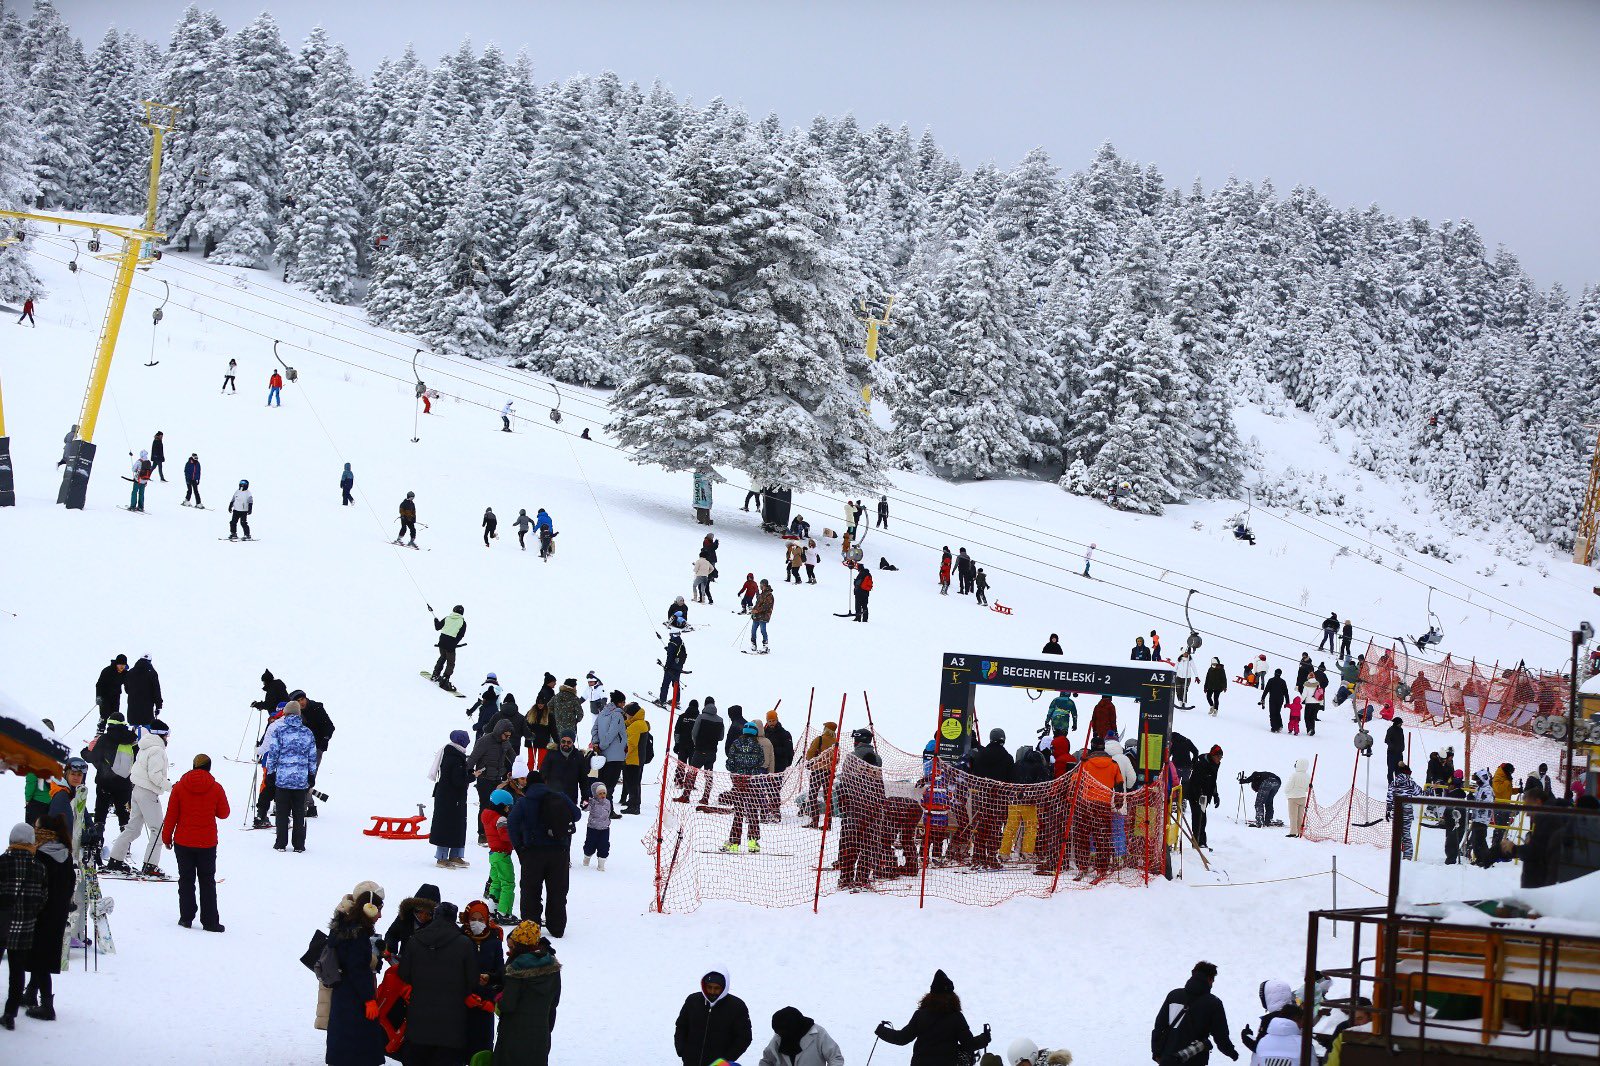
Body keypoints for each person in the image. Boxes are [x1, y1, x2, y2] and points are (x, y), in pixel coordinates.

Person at [397, 900, 477, 1064]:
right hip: (451, 1026)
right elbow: (472, 982)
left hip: (418, 1024)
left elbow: (404, 973)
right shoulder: (465, 944)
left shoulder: (415, 941)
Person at [160, 754, 229, 931]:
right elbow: (224, 813)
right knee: (207, 881)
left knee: (186, 880)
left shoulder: (180, 787)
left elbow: (171, 815)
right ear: (209, 767)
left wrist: (166, 837)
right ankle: (210, 921)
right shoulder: (215, 787)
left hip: (183, 841)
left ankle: (186, 917)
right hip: (207, 842)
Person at [508, 770, 580, 935]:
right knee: (558, 891)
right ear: (544, 782)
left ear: (529, 784)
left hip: (533, 853)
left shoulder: (524, 802)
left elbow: (512, 824)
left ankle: (530, 928)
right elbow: (576, 815)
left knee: (530, 891)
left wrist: (520, 848)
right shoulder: (560, 797)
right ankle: (557, 927)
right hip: (559, 853)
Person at [323, 883, 387, 1066]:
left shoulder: (342, 928)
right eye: (379, 911)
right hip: (355, 1000)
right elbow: (358, 969)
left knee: (342, 1046)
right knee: (359, 1050)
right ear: (369, 909)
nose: (380, 916)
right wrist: (369, 1000)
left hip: (341, 995)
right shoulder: (358, 935)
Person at [875, 969, 991, 1063]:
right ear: (951, 995)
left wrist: (882, 1031)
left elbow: (902, 1038)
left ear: (931, 994)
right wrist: (984, 1038)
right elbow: (968, 1044)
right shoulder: (956, 1017)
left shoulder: (920, 1015)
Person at [21, 815, 73, 1022]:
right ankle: (31, 993)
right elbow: (70, 883)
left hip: (40, 911)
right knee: (42, 954)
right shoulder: (65, 853)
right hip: (57, 913)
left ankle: (46, 1006)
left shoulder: (40, 855)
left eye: (37, 827)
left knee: (38, 958)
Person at [106, 718, 171, 875]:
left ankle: (116, 860)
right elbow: (154, 775)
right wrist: (170, 786)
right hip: (148, 792)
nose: (168, 738)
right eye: (167, 735)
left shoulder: (145, 746)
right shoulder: (157, 750)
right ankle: (150, 865)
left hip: (136, 790)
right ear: (161, 735)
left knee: (133, 828)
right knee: (157, 830)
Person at [0, 824, 48, 1029]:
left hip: (1, 925)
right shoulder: (39, 867)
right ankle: (10, 1014)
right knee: (16, 972)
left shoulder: (2, 863)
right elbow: (43, 898)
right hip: (25, 927)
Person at [495, 921, 561, 1065]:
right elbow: (554, 1001)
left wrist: (499, 998)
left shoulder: (517, 969)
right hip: (540, 1034)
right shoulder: (552, 967)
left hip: (514, 1034)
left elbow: (507, 1005)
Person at [1152, 960, 1239, 1065]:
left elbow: (1159, 1027)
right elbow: (1221, 1037)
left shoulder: (1173, 995)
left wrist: (1156, 1052)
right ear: (1209, 979)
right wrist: (1232, 1053)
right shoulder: (1213, 1003)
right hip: (1194, 1060)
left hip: (1168, 1059)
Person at [264, 703, 318, 853]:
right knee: (299, 813)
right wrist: (311, 775)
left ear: (285, 714)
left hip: (282, 779)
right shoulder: (307, 733)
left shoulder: (279, 731)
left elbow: (273, 754)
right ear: (299, 714)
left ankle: (281, 843)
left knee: (282, 813)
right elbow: (312, 757)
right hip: (301, 780)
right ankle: (299, 845)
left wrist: (271, 772)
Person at [675, 970, 753, 1066]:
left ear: (724, 988)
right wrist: (682, 1050)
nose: (712, 991)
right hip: (690, 1062)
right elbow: (681, 1026)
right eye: (709, 987)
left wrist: (725, 1061)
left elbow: (744, 1038)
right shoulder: (693, 1000)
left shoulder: (737, 1006)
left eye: (717, 988)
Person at [459, 900, 505, 1059]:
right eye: (473, 919)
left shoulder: (494, 941)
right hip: (462, 1002)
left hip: (485, 1003)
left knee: (481, 1047)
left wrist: (490, 997)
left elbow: (501, 973)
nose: (476, 923)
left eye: (480, 919)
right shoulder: (460, 939)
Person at [430, 729, 472, 869]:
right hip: (450, 798)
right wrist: (473, 776)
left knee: (456, 826)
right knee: (447, 826)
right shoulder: (454, 757)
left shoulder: (452, 754)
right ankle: (442, 857)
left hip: (452, 798)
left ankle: (455, 855)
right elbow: (458, 781)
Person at [759, 1006, 845, 1066]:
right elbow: (767, 1061)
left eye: (781, 1032)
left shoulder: (818, 1033)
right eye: (778, 1032)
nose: (779, 1035)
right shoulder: (780, 1037)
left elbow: (835, 1057)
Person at [588, 693, 627, 806]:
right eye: (623, 702)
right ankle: (608, 810)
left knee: (602, 784)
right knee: (610, 786)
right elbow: (612, 733)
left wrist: (596, 744)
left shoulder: (602, 714)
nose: (624, 705)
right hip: (615, 756)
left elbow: (594, 730)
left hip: (602, 756)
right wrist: (602, 745)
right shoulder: (617, 715)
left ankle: (600, 808)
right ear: (619, 703)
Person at [1386, 763, 1423, 860]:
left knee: (1397, 835)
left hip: (1397, 813)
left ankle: (1396, 857)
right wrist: (1431, 789)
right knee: (1406, 834)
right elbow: (1420, 793)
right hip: (1407, 814)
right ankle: (1407, 856)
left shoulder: (1394, 783)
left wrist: (1388, 809)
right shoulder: (1411, 783)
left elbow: (1390, 797)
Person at [1188, 746, 1223, 849]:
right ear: (1212, 755)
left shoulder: (1215, 764)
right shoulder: (1201, 764)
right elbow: (1196, 782)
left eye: (1221, 757)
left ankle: (1202, 843)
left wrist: (1215, 795)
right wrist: (1199, 796)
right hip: (1195, 795)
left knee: (1202, 819)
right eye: (1218, 757)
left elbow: (1212, 781)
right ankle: (1197, 844)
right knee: (1197, 818)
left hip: (1205, 796)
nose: (1219, 759)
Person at [431, 605, 468, 690]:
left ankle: (435, 674)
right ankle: (445, 679)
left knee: (442, 657)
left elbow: (437, 627)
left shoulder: (447, 618)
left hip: (442, 642)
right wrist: (454, 643)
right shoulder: (462, 622)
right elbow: (461, 635)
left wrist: (436, 621)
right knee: (450, 662)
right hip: (451, 644)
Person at [622, 703, 649, 815]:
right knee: (635, 782)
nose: (626, 716)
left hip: (633, 759)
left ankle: (634, 806)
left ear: (631, 714)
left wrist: (623, 755)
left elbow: (631, 744)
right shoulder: (640, 723)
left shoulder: (636, 726)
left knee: (632, 783)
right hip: (639, 758)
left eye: (627, 714)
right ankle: (635, 802)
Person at [580, 782, 612, 870]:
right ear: (595, 794)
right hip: (592, 828)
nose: (602, 795)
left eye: (604, 793)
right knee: (590, 845)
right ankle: (587, 857)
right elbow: (585, 808)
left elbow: (608, 813)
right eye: (600, 793)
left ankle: (601, 864)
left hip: (604, 829)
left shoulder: (608, 802)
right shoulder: (592, 802)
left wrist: (608, 822)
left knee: (604, 846)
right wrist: (584, 801)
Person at [1285, 759, 1310, 837]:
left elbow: (1288, 787)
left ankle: (1293, 832)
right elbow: (1307, 789)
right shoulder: (1308, 776)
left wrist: (1286, 791)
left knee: (1293, 816)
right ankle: (1300, 831)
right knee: (1300, 816)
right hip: (1303, 798)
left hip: (1293, 798)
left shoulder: (1294, 775)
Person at [750, 579, 775, 651]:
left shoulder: (769, 595)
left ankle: (765, 646)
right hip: (757, 615)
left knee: (763, 630)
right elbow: (757, 604)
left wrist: (757, 610)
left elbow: (766, 606)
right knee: (753, 630)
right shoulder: (761, 594)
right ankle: (753, 644)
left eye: (761, 585)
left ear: (764, 585)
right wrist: (754, 611)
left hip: (764, 616)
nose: (760, 586)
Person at [1384, 717, 1405, 783]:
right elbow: (1387, 740)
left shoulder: (1401, 730)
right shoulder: (1390, 730)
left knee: (1399, 769)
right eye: (1400, 723)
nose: (1401, 724)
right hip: (1391, 753)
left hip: (1399, 753)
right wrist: (1393, 747)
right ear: (1397, 723)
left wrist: (1402, 747)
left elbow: (1402, 740)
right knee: (1391, 769)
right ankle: (1391, 783)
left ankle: (1398, 783)